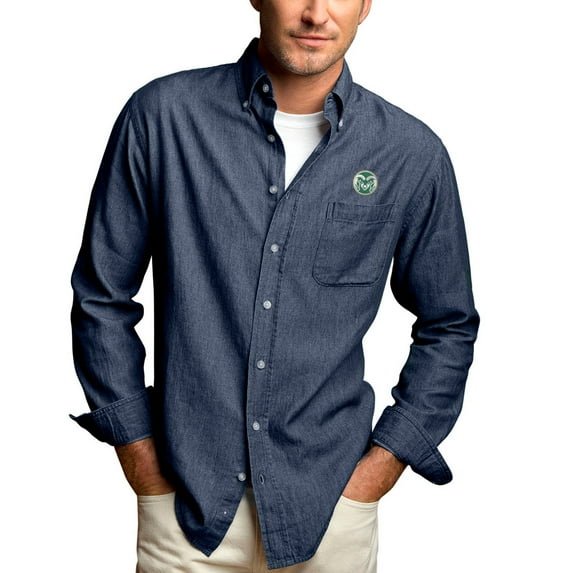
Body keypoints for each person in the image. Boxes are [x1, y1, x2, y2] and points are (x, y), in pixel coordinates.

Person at [70, 0, 479, 571]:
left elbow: (448, 324)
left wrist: (382, 468)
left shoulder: (410, 153)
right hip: (186, 512)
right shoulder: (163, 117)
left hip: (332, 512)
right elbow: (101, 296)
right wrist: (141, 459)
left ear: (366, 5)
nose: (316, 13)